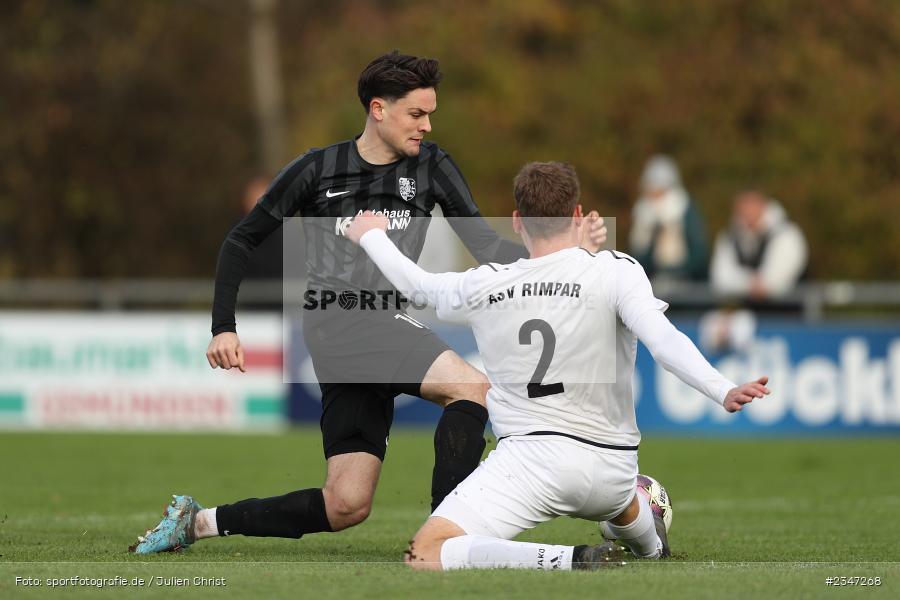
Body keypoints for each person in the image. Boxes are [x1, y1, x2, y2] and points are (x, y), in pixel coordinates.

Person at [130, 52, 606, 553]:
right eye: (416, 114)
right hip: (339, 323)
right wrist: (223, 325)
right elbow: (240, 240)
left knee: (346, 504)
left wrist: (565, 253)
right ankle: (447, 539)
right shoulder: (317, 169)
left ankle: (198, 522)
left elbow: (487, 248)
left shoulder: (433, 166)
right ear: (378, 109)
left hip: (384, 325)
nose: (427, 125)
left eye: (430, 114)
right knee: (472, 389)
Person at [344, 161, 770, 570]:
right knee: (621, 503)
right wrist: (722, 389)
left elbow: (418, 287)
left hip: (528, 465)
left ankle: (567, 559)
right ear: (578, 213)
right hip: (612, 471)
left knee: (426, 552)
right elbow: (663, 342)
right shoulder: (617, 270)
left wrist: (372, 235)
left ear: (516, 220)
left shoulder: (486, 282)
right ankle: (650, 545)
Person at [710, 189, 808, 301]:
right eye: (743, 209)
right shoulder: (729, 236)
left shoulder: (787, 233)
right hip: (747, 312)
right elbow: (721, 278)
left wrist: (758, 284)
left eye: (751, 206)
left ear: (763, 205)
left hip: (791, 313)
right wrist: (750, 284)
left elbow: (778, 280)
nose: (748, 213)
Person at [628, 155, 708, 283]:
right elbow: (637, 256)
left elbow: (699, 255)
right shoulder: (643, 214)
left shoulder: (684, 209)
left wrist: (673, 271)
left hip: (685, 284)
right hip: (652, 284)